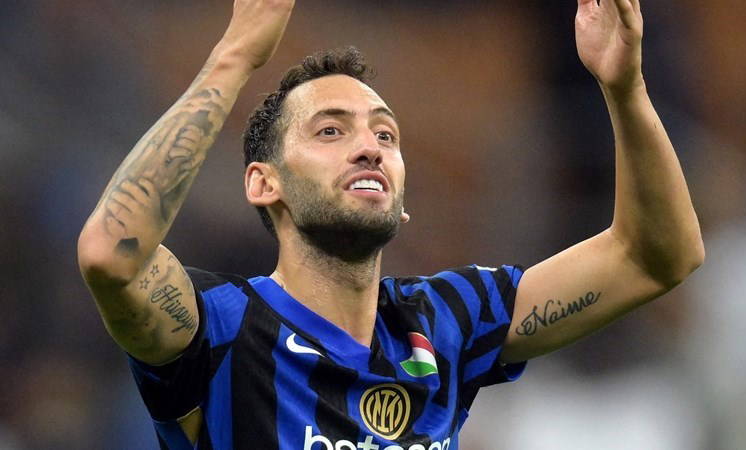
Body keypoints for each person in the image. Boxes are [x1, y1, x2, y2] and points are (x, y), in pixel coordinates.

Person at [77, 0, 704, 449]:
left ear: (401, 200)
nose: (369, 148)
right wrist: (236, 55)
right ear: (264, 183)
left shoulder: (448, 320)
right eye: (330, 130)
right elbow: (111, 254)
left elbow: (656, 257)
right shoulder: (220, 329)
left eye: (385, 135)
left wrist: (625, 89)